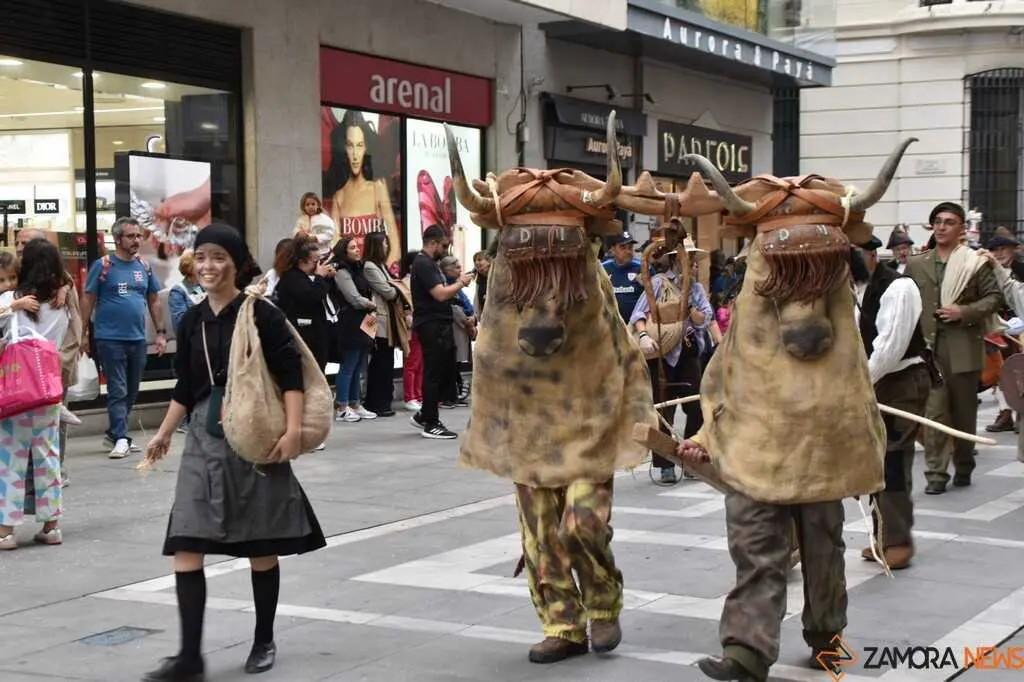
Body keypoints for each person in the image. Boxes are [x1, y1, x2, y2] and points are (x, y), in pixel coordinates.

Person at [142, 224, 326, 681]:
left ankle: (264, 639)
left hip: (256, 432)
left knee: (260, 546)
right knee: (186, 542)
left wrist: (294, 430)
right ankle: (189, 656)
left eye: (218, 257)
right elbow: (187, 385)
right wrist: (164, 433)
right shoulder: (191, 321)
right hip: (205, 439)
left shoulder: (262, 313)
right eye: (201, 256)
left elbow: (289, 376)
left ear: (237, 263)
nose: (208, 265)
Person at [905, 201, 1003, 494]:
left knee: (963, 415)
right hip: (928, 350)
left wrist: (965, 312)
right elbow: (905, 300)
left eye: (948, 222)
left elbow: (994, 298)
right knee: (934, 413)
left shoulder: (975, 263)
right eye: (937, 221)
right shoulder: (917, 263)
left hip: (963, 347)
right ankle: (936, 474)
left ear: (961, 229)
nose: (941, 226)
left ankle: (963, 465)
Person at [850, 238, 930, 570]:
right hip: (870, 384)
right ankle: (882, 535)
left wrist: (855, 385)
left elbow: (888, 349)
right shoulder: (855, 287)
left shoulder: (900, 287)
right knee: (873, 462)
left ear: (869, 255)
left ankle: (898, 540)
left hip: (901, 384)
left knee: (893, 462)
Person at [0, 240, 70, 549]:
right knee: (47, 458)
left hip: (16, 390)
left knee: (11, 460)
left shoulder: (11, 300)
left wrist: (12, 306)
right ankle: (51, 527)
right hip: (48, 390)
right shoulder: (61, 303)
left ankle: (6, 531)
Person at [80, 217, 167, 459]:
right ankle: (121, 437)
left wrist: (160, 333)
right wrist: (83, 332)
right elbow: (87, 299)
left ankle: (113, 433)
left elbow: (154, 300)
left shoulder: (144, 267)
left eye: (139, 236)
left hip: (137, 338)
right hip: (109, 337)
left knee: (131, 389)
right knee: (118, 388)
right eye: (131, 236)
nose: (137, 240)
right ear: (117, 239)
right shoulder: (104, 265)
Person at [409, 225, 472, 439]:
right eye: (444, 245)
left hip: (439, 323)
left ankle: (424, 414)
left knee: (444, 370)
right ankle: (431, 422)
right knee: (433, 373)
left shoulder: (430, 264)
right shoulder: (424, 264)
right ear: (432, 243)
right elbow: (439, 294)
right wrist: (460, 284)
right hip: (431, 323)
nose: (446, 249)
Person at [330, 236, 377, 423]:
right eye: (352, 247)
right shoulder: (342, 271)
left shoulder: (359, 268)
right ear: (344, 251)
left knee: (359, 364)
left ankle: (355, 403)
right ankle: (342, 405)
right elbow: (353, 297)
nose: (357, 250)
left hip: (366, 318)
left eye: (357, 247)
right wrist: (370, 304)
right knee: (349, 363)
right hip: (350, 319)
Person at [273, 233, 334, 371]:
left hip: (314, 337)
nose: (318, 265)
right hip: (304, 338)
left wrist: (326, 278)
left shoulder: (303, 277)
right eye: (315, 261)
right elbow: (312, 296)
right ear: (302, 261)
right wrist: (319, 277)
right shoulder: (292, 278)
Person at [601, 230, 643, 323]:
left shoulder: (642, 268)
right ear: (612, 250)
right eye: (623, 247)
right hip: (610, 325)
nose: (628, 251)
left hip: (636, 326)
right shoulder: (603, 269)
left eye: (630, 247)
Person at [294, 192, 337, 260]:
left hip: (322, 253)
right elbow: (296, 230)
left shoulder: (324, 219)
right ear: (303, 207)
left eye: (313, 204)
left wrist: (316, 238)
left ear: (318, 205)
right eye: (307, 205)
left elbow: (330, 234)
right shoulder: (301, 219)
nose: (310, 207)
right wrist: (299, 234)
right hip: (307, 254)